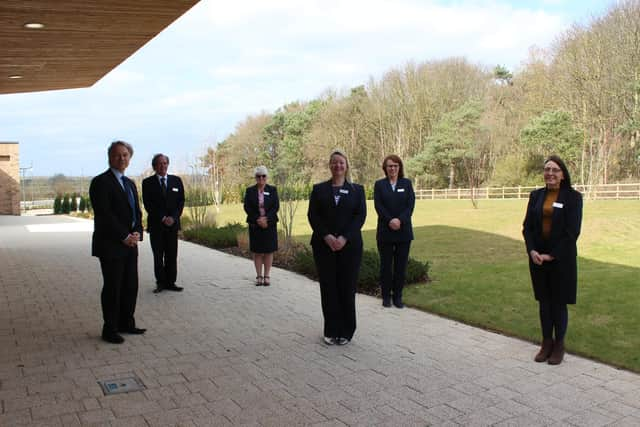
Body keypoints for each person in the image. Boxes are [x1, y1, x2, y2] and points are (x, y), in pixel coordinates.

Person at [523, 155, 583, 365]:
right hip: (537, 259)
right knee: (544, 303)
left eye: (555, 170)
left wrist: (552, 254)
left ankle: (559, 346)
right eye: (547, 169)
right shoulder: (536, 195)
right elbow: (527, 228)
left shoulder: (573, 198)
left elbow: (572, 232)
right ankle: (546, 343)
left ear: (563, 174)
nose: (550, 173)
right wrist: (532, 251)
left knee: (558, 303)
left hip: (561, 260)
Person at [307, 151, 366, 345]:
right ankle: (331, 330)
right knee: (329, 288)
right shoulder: (319, 190)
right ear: (329, 166)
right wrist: (327, 236)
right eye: (334, 163)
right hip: (324, 247)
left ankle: (347, 331)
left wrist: (343, 238)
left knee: (347, 288)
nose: (338, 166)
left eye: (341, 162)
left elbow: (360, 217)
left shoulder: (358, 190)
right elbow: (313, 216)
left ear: (346, 165)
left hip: (349, 247)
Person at [90, 140, 146, 344]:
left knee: (131, 285)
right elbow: (105, 215)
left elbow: (136, 213)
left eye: (125, 155)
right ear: (109, 157)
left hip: (131, 244)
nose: (121, 158)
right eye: (117, 155)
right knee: (113, 287)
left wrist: (138, 232)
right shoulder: (100, 182)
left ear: (129, 158)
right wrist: (124, 236)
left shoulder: (130, 183)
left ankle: (126, 323)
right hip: (111, 245)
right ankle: (110, 328)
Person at [374, 154, 415, 308]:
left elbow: (410, 206)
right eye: (390, 166)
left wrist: (400, 220)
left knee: (400, 266)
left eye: (395, 166)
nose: (392, 168)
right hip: (385, 231)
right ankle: (386, 296)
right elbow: (378, 206)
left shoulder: (407, 183)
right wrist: (390, 220)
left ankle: (397, 297)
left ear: (399, 167)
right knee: (385, 266)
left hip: (403, 232)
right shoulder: (379, 185)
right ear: (385, 168)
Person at [142, 154, 185, 293]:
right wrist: (162, 218)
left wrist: (173, 217)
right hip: (157, 225)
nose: (163, 166)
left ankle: (171, 282)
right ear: (154, 166)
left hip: (172, 225)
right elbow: (148, 204)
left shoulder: (176, 181)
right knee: (158, 255)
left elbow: (181, 201)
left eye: (165, 163)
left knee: (172, 255)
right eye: (160, 164)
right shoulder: (147, 183)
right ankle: (160, 282)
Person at [243, 166, 279, 286]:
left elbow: (275, 207)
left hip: (270, 224)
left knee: (269, 251)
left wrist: (266, 218)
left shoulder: (272, 190)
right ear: (255, 178)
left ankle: (267, 276)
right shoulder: (250, 191)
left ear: (267, 177)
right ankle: (259, 276)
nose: (261, 178)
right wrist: (258, 219)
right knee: (257, 251)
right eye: (258, 176)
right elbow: (247, 207)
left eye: (263, 176)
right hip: (255, 224)